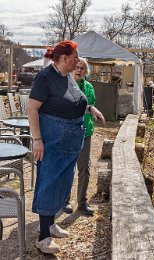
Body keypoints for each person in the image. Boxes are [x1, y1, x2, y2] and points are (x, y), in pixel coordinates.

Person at [28, 40, 105, 254]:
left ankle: (50, 225)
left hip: (69, 140)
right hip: (52, 140)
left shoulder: (66, 77)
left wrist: (90, 108)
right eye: (75, 58)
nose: (78, 61)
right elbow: (32, 109)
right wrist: (37, 139)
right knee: (50, 182)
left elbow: (73, 102)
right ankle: (43, 238)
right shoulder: (45, 78)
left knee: (62, 182)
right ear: (63, 59)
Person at [62, 58, 95, 215]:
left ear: (86, 71)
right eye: (76, 67)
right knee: (68, 168)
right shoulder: (65, 85)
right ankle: (64, 200)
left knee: (84, 168)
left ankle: (82, 202)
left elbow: (92, 105)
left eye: (82, 68)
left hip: (85, 132)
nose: (79, 70)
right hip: (69, 132)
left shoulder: (89, 87)